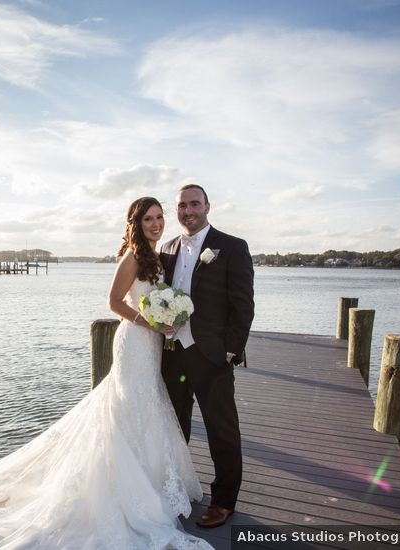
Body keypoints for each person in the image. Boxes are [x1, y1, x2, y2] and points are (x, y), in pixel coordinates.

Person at [0, 197, 210, 549]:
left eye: (159, 217)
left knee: (148, 407)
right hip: (135, 343)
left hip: (152, 346)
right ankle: (121, 489)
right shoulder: (133, 257)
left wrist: (165, 319)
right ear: (136, 224)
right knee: (128, 409)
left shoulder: (157, 256)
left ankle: (152, 484)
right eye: (148, 219)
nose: (156, 224)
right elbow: (113, 301)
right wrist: (148, 322)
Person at [160, 184, 255, 528]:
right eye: (182, 206)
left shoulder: (231, 247)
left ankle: (224, 501)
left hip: (213, 356)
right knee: (174, 427)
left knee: (221, 431)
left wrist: (230, 350)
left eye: (194, 204)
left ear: (208, 206)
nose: (188, 211)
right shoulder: (167, 248)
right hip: (172, 356)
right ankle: (177, 490)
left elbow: (243, 306)